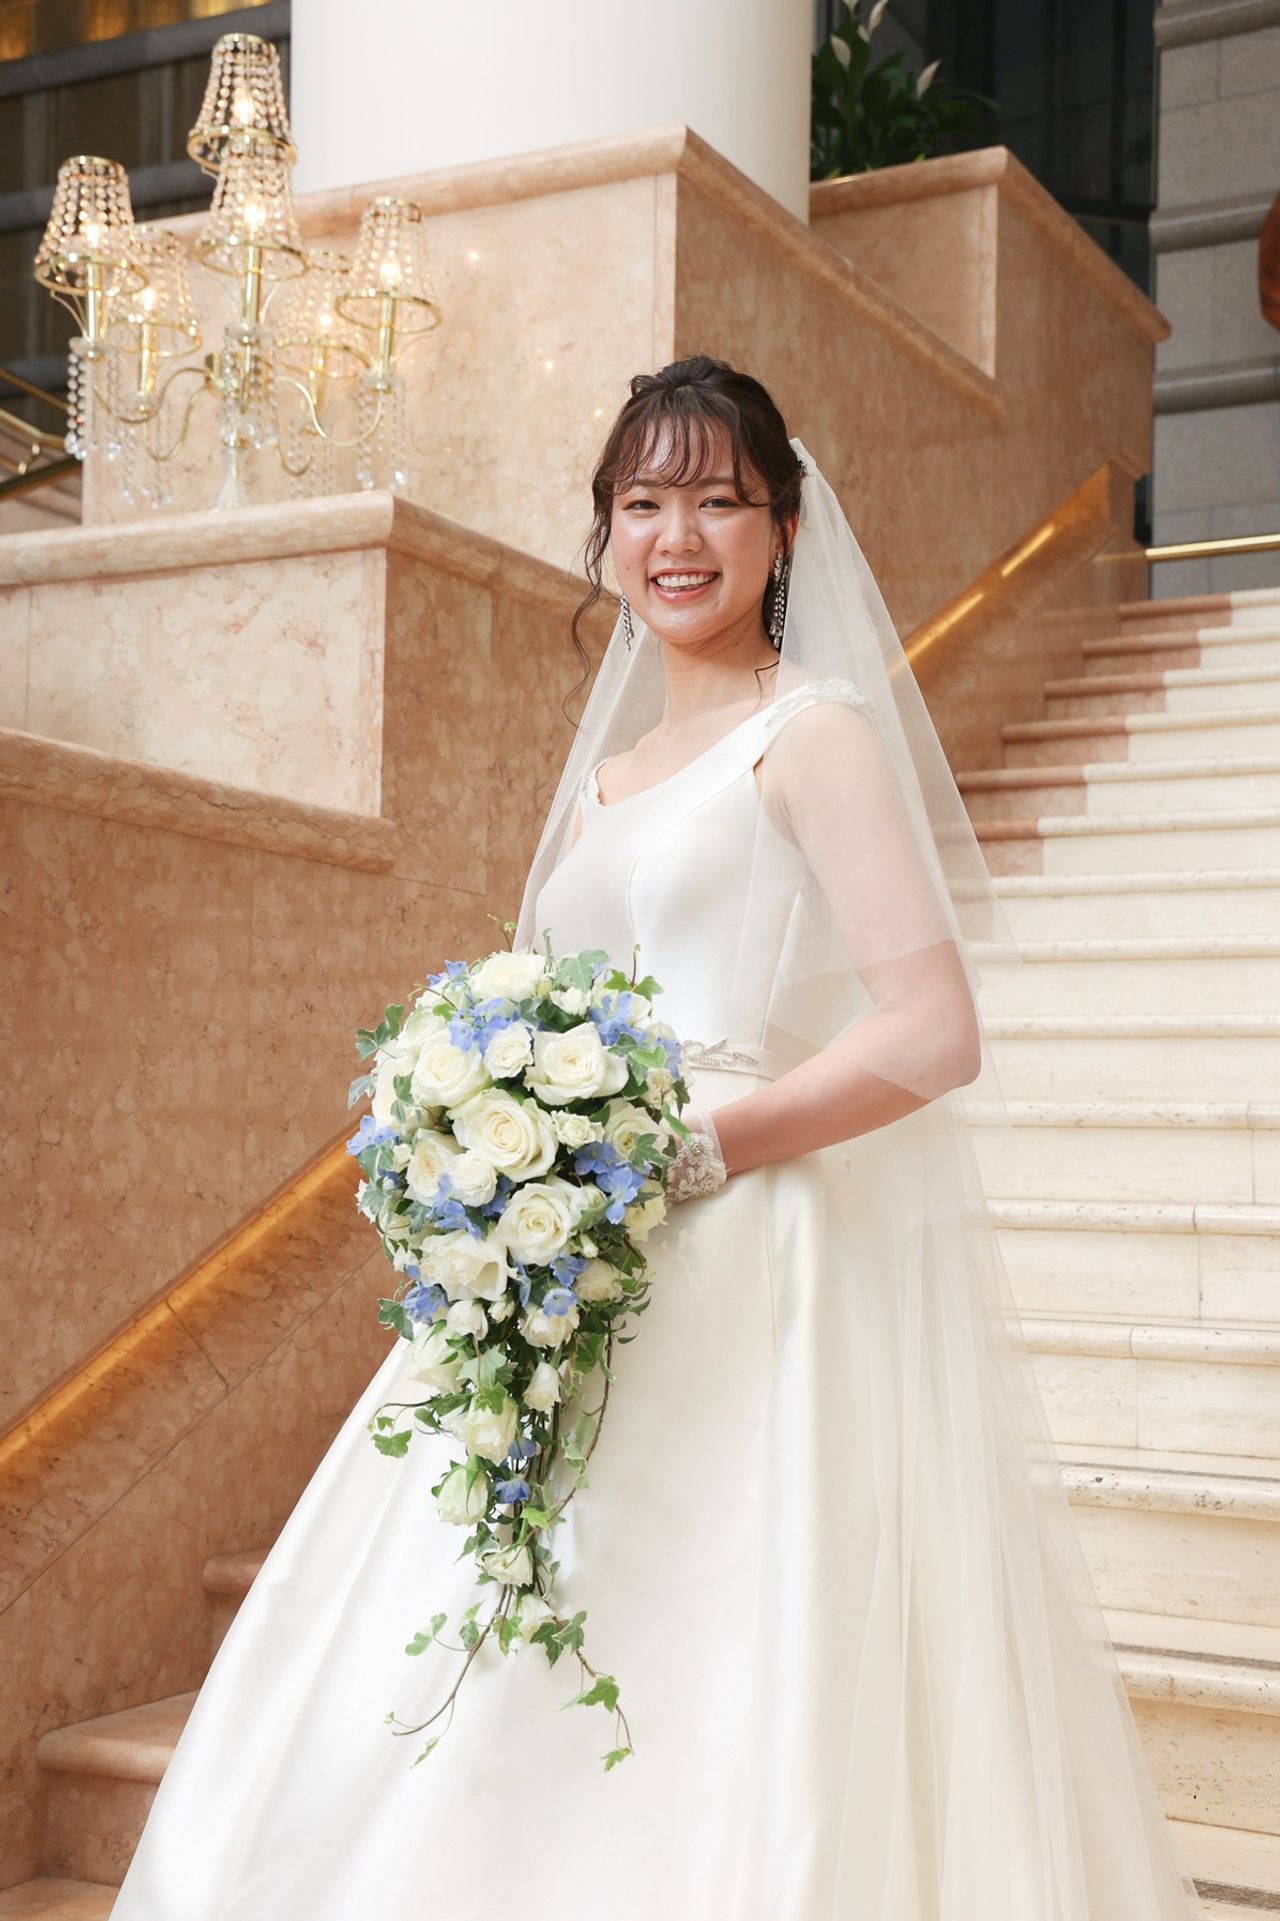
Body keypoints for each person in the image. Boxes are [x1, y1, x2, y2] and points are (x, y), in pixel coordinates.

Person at [110, 357, 1209, 1919]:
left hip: (743, 1238)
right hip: (573, 1251)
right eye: (641, 503)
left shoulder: (812, 734)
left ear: (784, 529)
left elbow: (931, 1028)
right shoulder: (612, 777)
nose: (675, 536)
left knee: (712, 1629)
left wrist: (704, 1148)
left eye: (716, 500)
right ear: (607, 533)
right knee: (479, 1608)